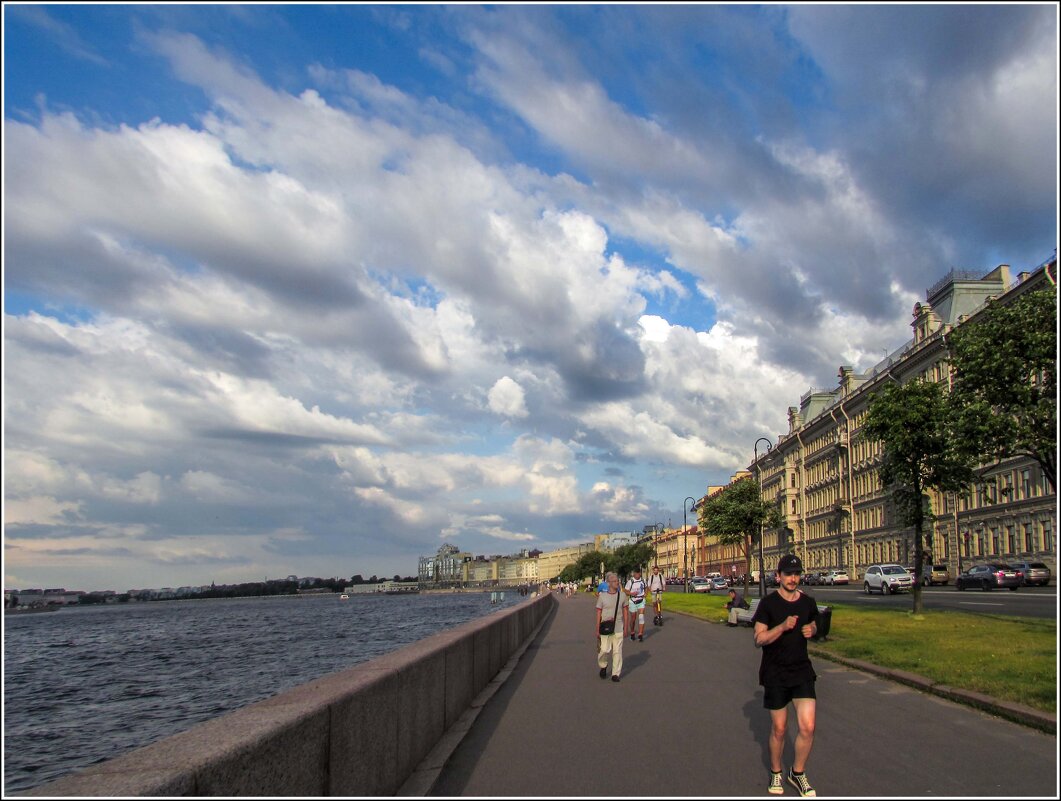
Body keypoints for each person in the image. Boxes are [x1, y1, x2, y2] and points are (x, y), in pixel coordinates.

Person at [752, 554, 819, 798]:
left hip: (801, 671)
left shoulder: (808, 603)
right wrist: (781, 627)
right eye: (788, 574)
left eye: (796, 574)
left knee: (808, 727)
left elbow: (817, 624)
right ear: (778, 576)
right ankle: (776, 770)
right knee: (779, 729)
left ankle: (798, 773)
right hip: (775, 673)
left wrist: (812, 629)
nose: (793, 578)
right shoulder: (768, 605)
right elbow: (758, 639)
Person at [595, 572, 627, 682]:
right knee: (604, 650)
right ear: (608, 583)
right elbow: (598, 613)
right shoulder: (602, 597)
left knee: (617, 651)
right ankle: (603, 666)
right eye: (614, 581)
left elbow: (625, 611)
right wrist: (597, 628)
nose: (617, 582)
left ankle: (615, 674)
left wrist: (626, 627)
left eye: (617, 580)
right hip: (605, 627)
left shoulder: (622, 596)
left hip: (618, 627)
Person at [624, 567, 648, 641]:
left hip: (641, 600)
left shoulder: (643, 580)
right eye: (636, 573)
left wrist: (645, 594)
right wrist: (631, 593)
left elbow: (646, 588)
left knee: (641, 617)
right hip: (632, 601)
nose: (637, 575)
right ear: (634, 574)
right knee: (633, 618)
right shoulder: (630, 581)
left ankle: (640, 634)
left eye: (639, 573)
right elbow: (625, 591)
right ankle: (632, 632)